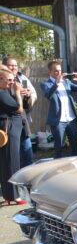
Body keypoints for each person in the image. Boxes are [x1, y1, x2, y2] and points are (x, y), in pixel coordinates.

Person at [40, 61, 77, 158]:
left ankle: (76, 165)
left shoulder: (66, 82)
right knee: (59, 147)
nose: (59, 73)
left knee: (75, 146)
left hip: (71, 119)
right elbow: (48, 95)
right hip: (58, 121)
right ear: (49, 71)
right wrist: (56, 83)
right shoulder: (45, 84)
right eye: (56, 71)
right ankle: (58, 166)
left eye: (60, 70)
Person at [3, 56, 37, 167]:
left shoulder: (22, 78)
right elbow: (13, 104)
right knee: (12, 159)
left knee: (27, 154)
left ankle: (26, 176)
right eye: (11, 65)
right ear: (4, 67)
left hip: (23, 121)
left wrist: (27, 96)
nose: (14, 67)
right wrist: (17, 93)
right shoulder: (3, 82)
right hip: (9, 124)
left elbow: (32, 97)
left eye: (15, 65)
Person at [0, 67, 25, 205]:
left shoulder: (4, 92)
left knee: (7, 162)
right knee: (11, 162)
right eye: (9, 80)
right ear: (0, 80)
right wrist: (17, 93)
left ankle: (8, 195)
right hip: (8, 129)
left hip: (10, 128)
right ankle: (14, 196)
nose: (12, 82)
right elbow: (19, 108)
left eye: (13, 79)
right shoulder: (2, 93)